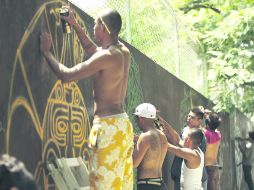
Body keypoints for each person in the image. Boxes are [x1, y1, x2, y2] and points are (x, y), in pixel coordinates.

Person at [40, 8, 134, 190]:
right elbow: (93, 50)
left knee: (102, 185)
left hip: (107, 129)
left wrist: (46, 52)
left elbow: (66, 75)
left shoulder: (105, 57)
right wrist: (75, 25)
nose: (93, 27)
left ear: (104, 28)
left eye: (96, 24)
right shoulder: (123, 52)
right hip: (122, 128)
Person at [158, 107, 207, 190]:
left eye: (192, 117)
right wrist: (165, 130)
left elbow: (175, 146)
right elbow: (178, 142)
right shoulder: (189, 135)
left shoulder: (196, 146)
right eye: (189, 116)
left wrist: (156, 134)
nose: (189, 119)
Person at [133, 103, 168, 190]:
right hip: (160, 184)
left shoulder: (145, 136)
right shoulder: (162, 136)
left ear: (140, 118)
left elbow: (134, 163)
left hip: (147, 185)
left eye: (136, 118)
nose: (136, 122)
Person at [204, 112, 222, 190]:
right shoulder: (218, 134)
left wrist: (205, 115)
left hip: (208, 168)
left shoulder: (205, 133)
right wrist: (209, 116)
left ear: (207, 124)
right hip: (215, 168)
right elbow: (215, 123)